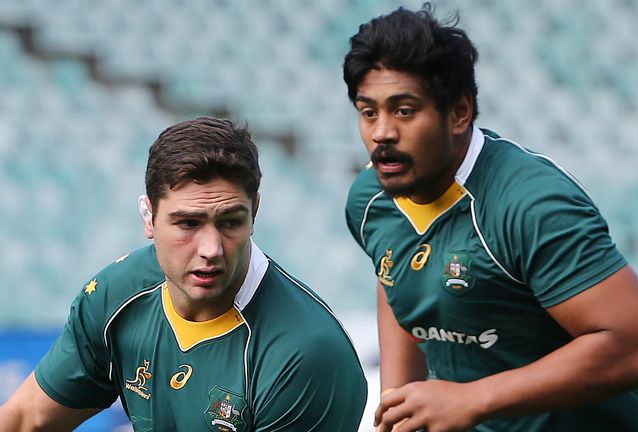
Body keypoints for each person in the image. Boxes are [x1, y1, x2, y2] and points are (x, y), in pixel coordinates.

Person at [343, 4, 638, 431]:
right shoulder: (372, 197)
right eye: (368, 111)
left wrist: (473, 399)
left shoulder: (531, 205)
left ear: (459, 113)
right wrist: (398, 403)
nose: (381, 132)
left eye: (404, 110)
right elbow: (393, 272)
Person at [0, 117, 367, 431]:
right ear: (149, 216)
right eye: (187, 223)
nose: (211, 248)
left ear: (254, 211)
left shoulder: (305, 355)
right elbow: (23, 419)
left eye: (230, 222)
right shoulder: (116, 296)